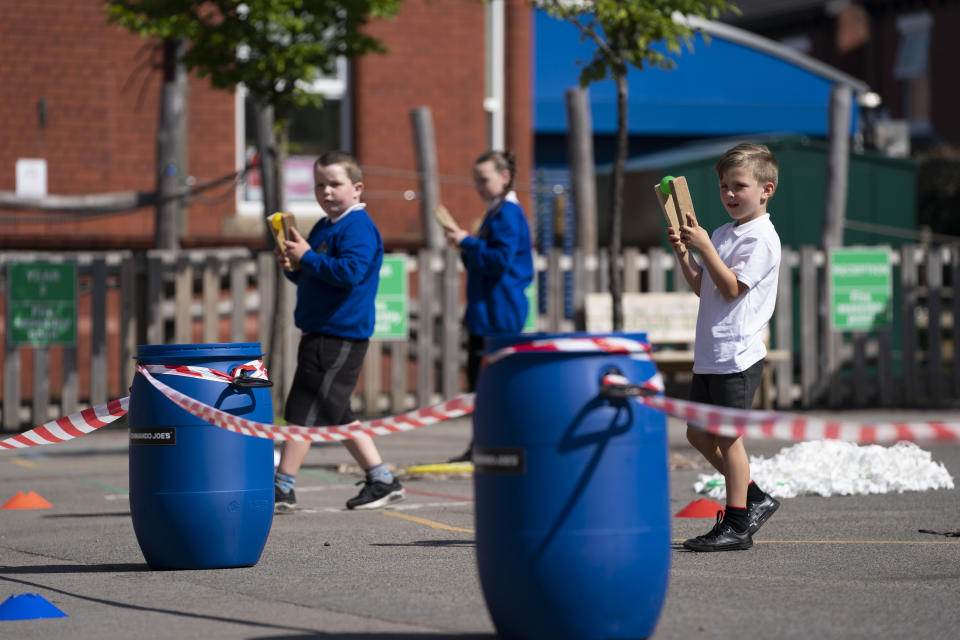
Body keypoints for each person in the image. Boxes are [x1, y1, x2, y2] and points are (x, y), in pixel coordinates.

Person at [273, 150, 405, 513]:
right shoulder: (323, 227)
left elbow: (348, 273)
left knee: (313, 407)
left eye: (335, 184)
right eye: (320, 185)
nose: (326, 191)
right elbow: (313, 273)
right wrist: (294, 265)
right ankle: (380, 479)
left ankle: (285, 486)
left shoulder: (358, 227)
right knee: (322, 406)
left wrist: (309, 257)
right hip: (318, 329)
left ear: (357, 188)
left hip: (341, 332)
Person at [666, 143, 782, 551]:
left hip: (737, 354)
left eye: (739, 186)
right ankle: (754, 498)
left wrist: (706, 249)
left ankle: (737, 524)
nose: (730, 195)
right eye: (723, 187)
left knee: (729, 438)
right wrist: (685, 253)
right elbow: (706, 287)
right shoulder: (721, 233)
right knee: (698, 434)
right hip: (711, 353)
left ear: (766, 190)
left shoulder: (762, 239)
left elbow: (732, 289)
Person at [442, 150, 534, 462]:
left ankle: (496, 445)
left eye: (484, 180)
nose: (479, 187)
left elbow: (499, 260)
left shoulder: (506, 213)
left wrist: (467, 241)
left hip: (499, 311)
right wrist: (466, 245)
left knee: (491, 384)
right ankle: (483, 444)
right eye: (476, 181)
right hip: (489, 310)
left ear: (505, 178)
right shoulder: (498, 211)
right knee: (482, 383)